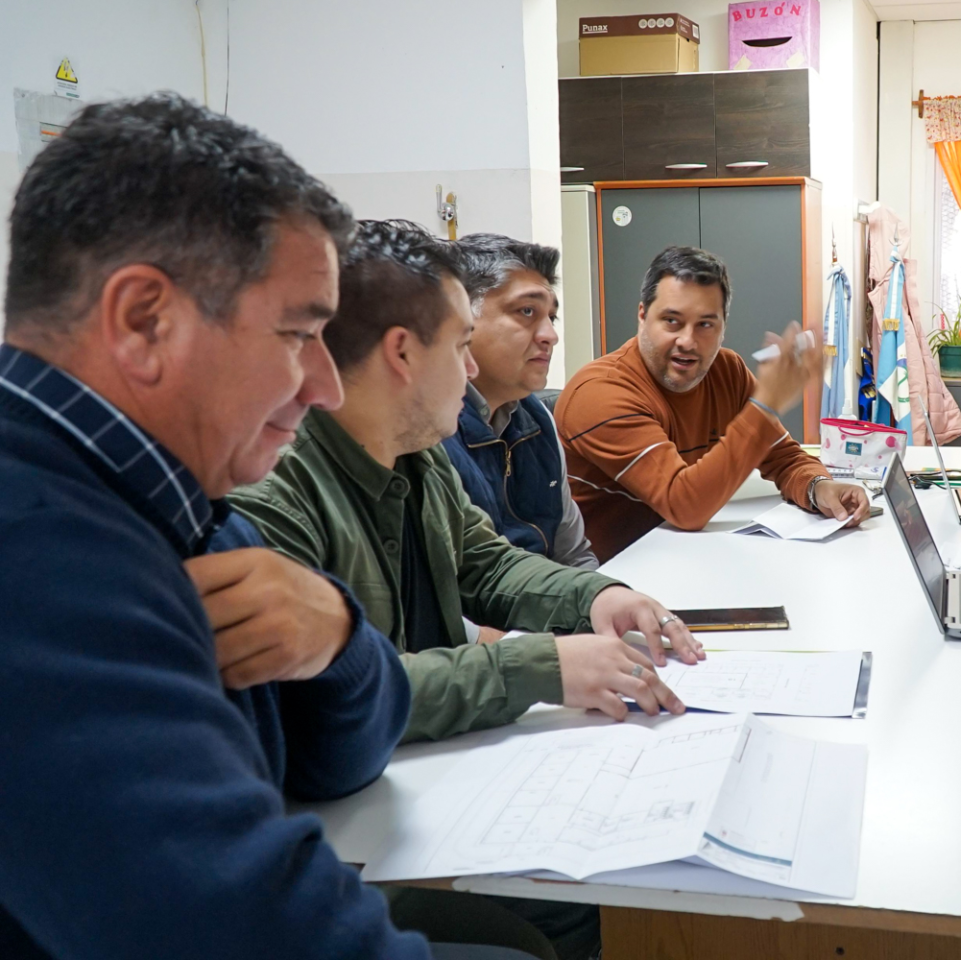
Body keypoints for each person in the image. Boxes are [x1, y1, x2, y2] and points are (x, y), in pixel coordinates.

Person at [0, 94, 528, 960]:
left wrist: (338, 636)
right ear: (143, 321)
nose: (324, 385)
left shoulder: (175, 504)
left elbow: (341, 761)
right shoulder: (42, 567)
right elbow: (236, 923)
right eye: (297, 334)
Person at [229, 219, 703, 746]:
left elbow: (487, 564)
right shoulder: (274, 492)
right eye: (459, 346)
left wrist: (595, 597)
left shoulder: (418, 454)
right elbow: (329, 700)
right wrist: (538, 668)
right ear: (401, 354)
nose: (471, 368)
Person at [556, 245, 871, 561]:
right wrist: (766, 404)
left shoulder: (727, 370)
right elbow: (684, 505)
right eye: (671, 321)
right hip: (612, 575)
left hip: (685, 557)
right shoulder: (600, 393)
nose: (688, 341)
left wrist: (819, 487)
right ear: (642, 316)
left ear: (723, 327)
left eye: (705, 324)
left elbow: (784, 458)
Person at [442, 234, 598, 571]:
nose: (550, 335)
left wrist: (599, 596)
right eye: (527, 311)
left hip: (552, 596)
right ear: (460, 319)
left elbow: (574, 555)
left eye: (551, 317)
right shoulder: (427, 430)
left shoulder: (536, 416)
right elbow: (468, 582)